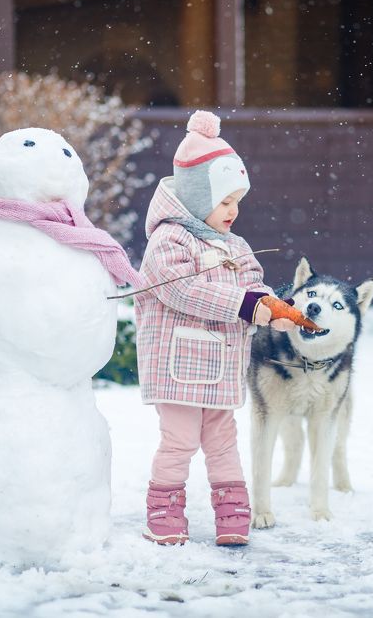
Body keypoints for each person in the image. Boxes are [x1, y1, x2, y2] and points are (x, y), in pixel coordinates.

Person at [134, 110, 296, 547]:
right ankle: (165, 515)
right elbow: (182, 291)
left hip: (220, 366)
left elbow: (252, 284)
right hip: (178, 365)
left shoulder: (237, 245)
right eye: (225, 201)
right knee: (179, 442)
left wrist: (269, 305)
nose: (234, 210)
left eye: (237, 201)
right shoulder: (169, 241)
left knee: (223, 442)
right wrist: (244, 304)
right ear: (195, 196)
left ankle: (233, 516)